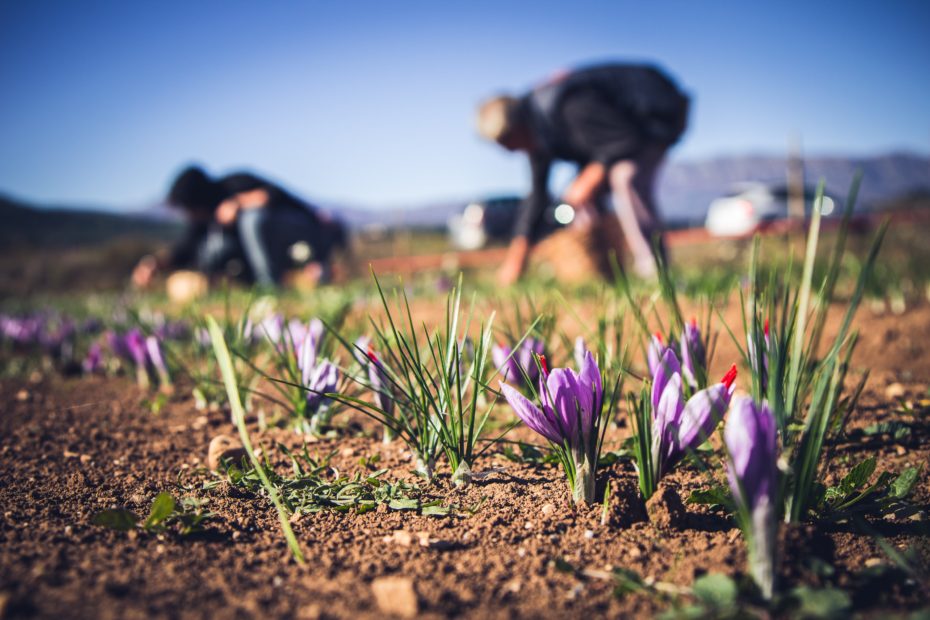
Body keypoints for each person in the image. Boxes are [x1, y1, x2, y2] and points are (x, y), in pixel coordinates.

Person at [476, 62, 689, 283]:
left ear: (516, 127)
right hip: (621, 137)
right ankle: (607, 275)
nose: (512, 151)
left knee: (625, 177)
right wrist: (517, 259)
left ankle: (657, 273)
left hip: (655, 113)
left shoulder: (568, 107)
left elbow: (623, 140)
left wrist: (588, 180)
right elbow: (537, 196)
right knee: (583, 200)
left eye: (509, 143)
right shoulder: (538, 136)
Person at [132, 165, 347, 289]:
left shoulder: (233, 183)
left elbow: (275, 195)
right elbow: (185, 249)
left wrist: (239, 203)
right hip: (277, 249)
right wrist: (155, 263)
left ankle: (269, 286)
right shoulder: (204, 218)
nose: (189, 215)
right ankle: (245, 283)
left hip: (301, 230)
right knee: (214, 246)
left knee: (250, 219)